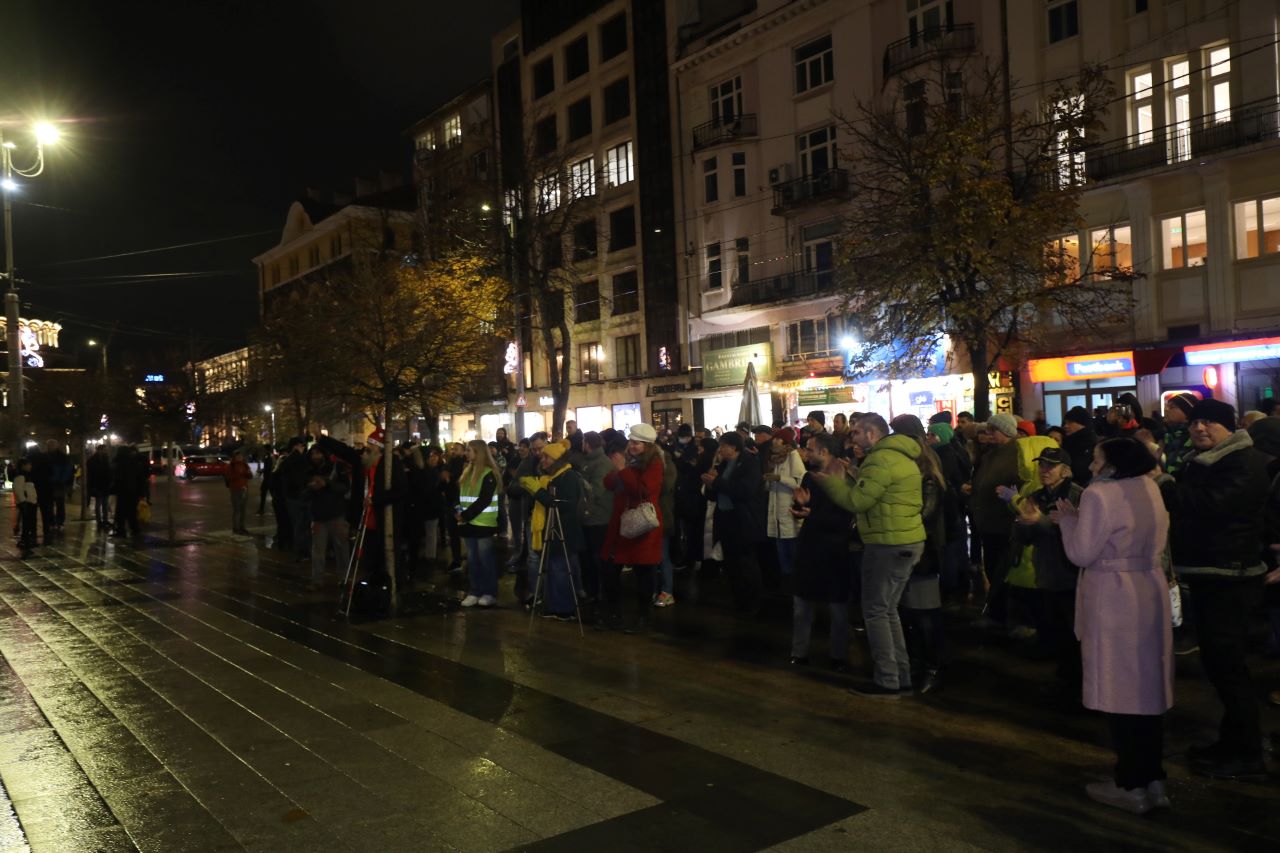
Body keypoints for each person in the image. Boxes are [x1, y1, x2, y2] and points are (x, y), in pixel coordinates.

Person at [1057, 437, 1173, 814]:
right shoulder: (1150, 487)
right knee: (1148, 688)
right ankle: (1153, 778)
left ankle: (1130, 783)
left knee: (1120, 690)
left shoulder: (1098, 496)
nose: (1091, 466)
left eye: (1096, 459)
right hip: (1148, 589)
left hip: (1114, 595)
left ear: (1112, 464)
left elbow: (1082, 552)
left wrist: (1068, 522)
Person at [1158, 398, 1270, 781]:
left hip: (1229, 575)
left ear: (1229, 427)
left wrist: (1165, 484)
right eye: (1195, 423)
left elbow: (1210, 505)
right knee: (1220, 665)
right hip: (1214, 572)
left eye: (1209, 423)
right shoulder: (1210, 459)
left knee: (1229, 667)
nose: (1199, 429)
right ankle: (1233, 741)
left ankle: (1248, 753)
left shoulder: (1241, 462)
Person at [817, 413, 924, 698]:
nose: (852, 438)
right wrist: (853, 475)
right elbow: (878, 494)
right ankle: (900, 677)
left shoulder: (880, 459)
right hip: (907, 539)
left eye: (856, 433)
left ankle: (887, 680)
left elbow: (858, 502)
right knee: (887, 610)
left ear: (872, 434)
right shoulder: (901, 455)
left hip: (887, 542)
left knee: (876, 611)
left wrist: (832, 482)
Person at [1008, 446, 1084, 697]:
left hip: (1070, 575)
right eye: (1042, 465)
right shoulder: (1038, 496)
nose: (1044, 470)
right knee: (1056, 631)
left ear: (1066, 470)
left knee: (1074, 633)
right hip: (1047, 573)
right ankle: (1065, 679)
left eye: (1051, 466)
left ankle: (1077, 685)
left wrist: (1038, 521)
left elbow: (1076, 536)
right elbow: (1025, 536)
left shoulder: (1077, 495)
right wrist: (1022, 523)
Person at [789, 433, 854, 670]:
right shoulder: (810, 476)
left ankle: (838, 655)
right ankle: (799, 651)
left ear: (824, 452)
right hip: (809, 546)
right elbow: (804, 506)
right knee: (802, 604)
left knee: (837, 606)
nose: (805, 454)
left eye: (809, 449)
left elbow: (845, 516)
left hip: (834, 548)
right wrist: (800, 505)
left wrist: (811, 513)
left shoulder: (845, 477)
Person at [599, 423, 665, 632]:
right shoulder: (632, 462)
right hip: (622, 521)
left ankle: (643, 617)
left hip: (641, 523)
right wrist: (619, 471)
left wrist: (622, 469)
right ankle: (614, 613)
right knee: (609, 568)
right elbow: (610, 484)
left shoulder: (655, 464)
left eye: (636, 443)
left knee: (644, 570)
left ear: (647, 445)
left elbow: (643, 490)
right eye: (631, 442)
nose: (632, 446)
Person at [703, 431, 767, 615]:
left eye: (723, 446)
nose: (720, 450)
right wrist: (710, 484)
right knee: (731, 563)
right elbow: (715, 493)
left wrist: (717, 482)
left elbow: (744, 491)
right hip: (726, 519)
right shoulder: (723, 464)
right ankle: (739, 599)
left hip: (744, 519)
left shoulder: (750, 463)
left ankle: (753, 601)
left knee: (746, 562)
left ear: (734, 447)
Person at [967, 413, 1021, 626]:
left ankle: (1004, 616)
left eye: (993, 431)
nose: (989, 435)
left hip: (1003, 521)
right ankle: (996, 613)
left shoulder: (1016, 453)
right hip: (988, 521)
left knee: (1002, 570)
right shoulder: (991, 453)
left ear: (1006, 431)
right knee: (992, 567)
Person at [521, 441, 583, 620]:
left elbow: (562, 504)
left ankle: (564, 609)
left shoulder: (568, 477)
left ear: (556, 459)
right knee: (556, 569)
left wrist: (538, 491)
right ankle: (556, 605)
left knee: (561, 570)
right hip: (554, 529)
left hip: (563, 531)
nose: (543, 459)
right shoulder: (553, 477)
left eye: (547, 456)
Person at [455, 439, 502, 608]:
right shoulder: (468, 472)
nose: (466, 453)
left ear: (479, 453)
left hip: (482, 523)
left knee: (485, 559)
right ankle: (475, 591)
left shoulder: (488, 473)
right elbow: (461, 495)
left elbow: (484, 499)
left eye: (469, 450)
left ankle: (489, 592)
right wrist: (458, 511)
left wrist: (465, 515)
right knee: (473, 560)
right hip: (469, 523)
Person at [762, 426, 805, 578]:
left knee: (792, 550)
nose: (774, 441)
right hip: (776, 511)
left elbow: (799, 482)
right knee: (781, 551)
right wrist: (768, 481)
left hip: (789, 510)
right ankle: (786, 582)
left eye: (778, 438)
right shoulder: (773, 458)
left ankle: (795, 582)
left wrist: (780, 479)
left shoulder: (793, 455)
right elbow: (770, 485)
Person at [305, 470, 350, 588]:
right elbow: (302, 495)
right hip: (318, 519)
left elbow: (344, 488)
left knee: (341, 548)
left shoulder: (336, 469)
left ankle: (344, 578)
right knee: (318, 550)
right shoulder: (308, 471)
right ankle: (317, 580)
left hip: (336, 517)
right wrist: (311, 488)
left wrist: (327, 484)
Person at [1160, 392, 1197, 475]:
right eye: (1166, 406)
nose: (1166, 409)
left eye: (1172, 407)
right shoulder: (1165, 435)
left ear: (1187, 414)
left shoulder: (1195, 438)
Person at [1062, 407, 1097, 486]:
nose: (1065, 426)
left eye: (1070, 422)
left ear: (1083, 424)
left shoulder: (1093, 444)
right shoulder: (1066, 441)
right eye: (1065, 422)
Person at [225, 450, 253, 535]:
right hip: (235, 489)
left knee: (243, 509)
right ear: (235, 457)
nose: (240, 458)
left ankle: (242, 527)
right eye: (238, 456)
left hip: (244, 489)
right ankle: (236, 527)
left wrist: (248, 474)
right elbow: (229, 477)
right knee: (237, 509)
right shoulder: (231, 466)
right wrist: (240, 474)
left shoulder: (245, 465)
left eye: (241, 456)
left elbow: (250, 476)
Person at [12, 457, 38, 549]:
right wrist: (23, 501)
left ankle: (28, 539)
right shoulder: (21, 476)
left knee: (30, 522)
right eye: (28, 464)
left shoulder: (27, 475)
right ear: (23, 466)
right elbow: (18, 489)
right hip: (27, 502)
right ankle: (25, 540)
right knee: (27, 522)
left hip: (31, 501)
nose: (30, 466)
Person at [86, 444, 113, 528]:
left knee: (104, 504)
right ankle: (99, 521)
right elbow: (91, 474)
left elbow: (109, 472)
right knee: (99, 504)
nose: (105, 451)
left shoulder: (106, 459)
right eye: (104, 449)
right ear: (99, 450)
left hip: (104, 484)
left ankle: (105, 520)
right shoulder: (92, 460)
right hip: (97, 485)